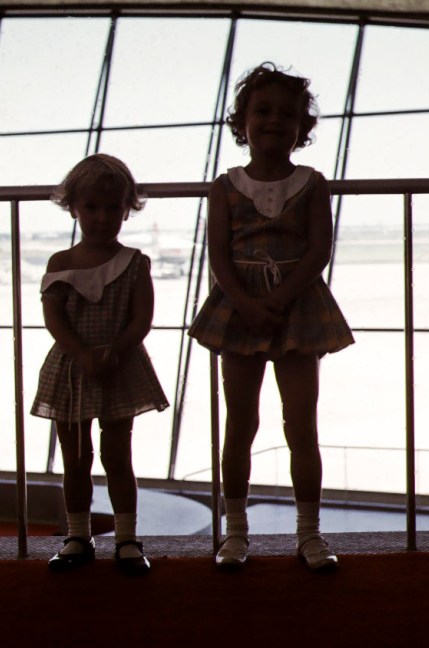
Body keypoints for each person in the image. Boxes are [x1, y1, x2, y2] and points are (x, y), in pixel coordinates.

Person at [188, 63, 354, 572]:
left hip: (296, 307)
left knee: (301, 423)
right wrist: (246, 302)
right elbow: (218, 255)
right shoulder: (225, 186)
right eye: (263, 111)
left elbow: (318, 249)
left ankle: (309, 533)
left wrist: (278, 298)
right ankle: (236, 533)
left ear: (303, 126)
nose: (274, 121)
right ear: (242, 121)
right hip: (239, 307)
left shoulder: (312, 183)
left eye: (287, 114)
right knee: (240, 423)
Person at [31, 153, 169, 575]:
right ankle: (78, 534)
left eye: (112, 207)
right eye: (91, 207)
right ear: (73, 207)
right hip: (73, 369)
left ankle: (126, 537)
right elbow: (54, 318)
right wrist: (82, 352)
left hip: (117, 366)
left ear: (127, 209)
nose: (102, 217)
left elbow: (141, 319)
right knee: (75, 458)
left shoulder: (135, 262)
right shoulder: (60, 263)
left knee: (117, 455)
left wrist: (114, 351)